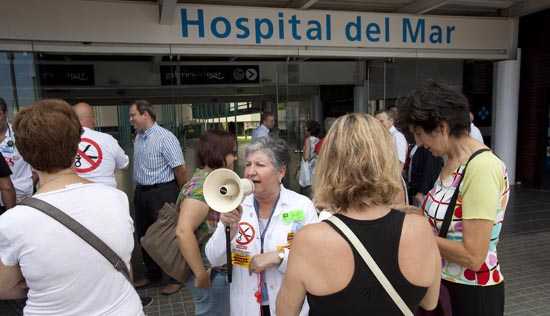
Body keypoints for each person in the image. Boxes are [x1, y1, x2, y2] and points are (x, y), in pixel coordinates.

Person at [276, 113, 441, 316]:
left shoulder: (310, 240)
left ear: (329, 164)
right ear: (386, 160)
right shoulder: (419, 228)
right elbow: (430, 301)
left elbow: (285, 312)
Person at [0, 99, 143, 315]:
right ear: (77, 145)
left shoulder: (12, 222)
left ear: (25, 154)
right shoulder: (117, 199)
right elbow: (124, 264)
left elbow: (6, 288)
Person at [398, 81, 508, 316]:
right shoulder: (450, 162)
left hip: (471, 293)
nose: (418, 143)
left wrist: (412, 236)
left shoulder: (481, 167)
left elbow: (473, 255)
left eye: (419, 133)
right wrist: (403, 213)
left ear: (442, 127)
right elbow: (446, 220)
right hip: (444, 283)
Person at [205, 137, 318, 316]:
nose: (250, 172)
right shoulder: (236, 205)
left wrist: (279, 257)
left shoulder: (302, 206)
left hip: (289, 305)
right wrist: (229, 230)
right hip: (246, 306)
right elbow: (214, 258)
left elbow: (316, 258)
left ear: (281, 172)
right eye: (248, 164)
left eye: (260, 165)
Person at [175, 130, 237, 316]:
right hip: (212, 274)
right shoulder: (203, 187)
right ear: (218, 154)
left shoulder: (208, 181)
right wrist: (201, 274)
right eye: (231, 152)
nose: (235, 158)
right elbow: (183, 231)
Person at [130, 99, 187, 295]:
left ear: (145, 114)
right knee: (144, 234)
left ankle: (175, 277)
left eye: (133, 115)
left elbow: (180, 169)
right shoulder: (138, 137)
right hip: (142, 193)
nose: (131, 120)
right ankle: (152, 274)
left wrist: (182, 196)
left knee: (167, 236)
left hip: (163, 192)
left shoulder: (165, 137)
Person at [73, 102, 129, 188]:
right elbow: (124, 164)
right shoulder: (107, 139)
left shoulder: (64, 142)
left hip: (76, 196)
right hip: (106, 195)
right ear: (92, 119)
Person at [0, 98, 35, 205]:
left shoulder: (22, 135)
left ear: (6, 113)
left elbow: (39, 164)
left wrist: (29, 185)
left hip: (23, 199)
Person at [407, 132, 443, 207]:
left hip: (423, 191)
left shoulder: (429, 148)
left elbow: (429, 170)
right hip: (415, 188)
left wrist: (421, 191)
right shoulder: (416, 146)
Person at [299, 120, 321, 197]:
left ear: (310, 130)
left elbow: (306, 157)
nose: (304, 130)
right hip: (315, 170)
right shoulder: (318, 140)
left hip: (307, 171)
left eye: (306, 129)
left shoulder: (308, 140)